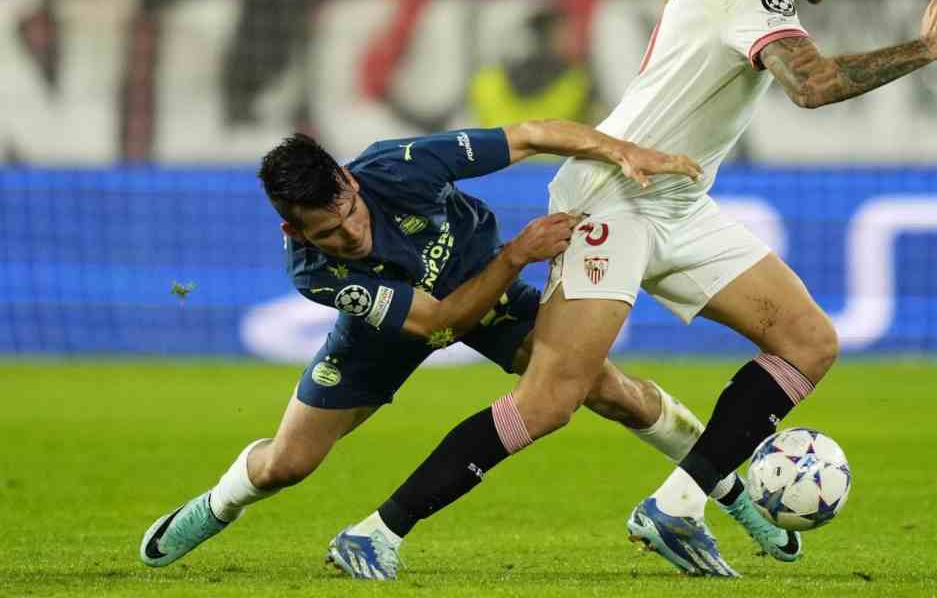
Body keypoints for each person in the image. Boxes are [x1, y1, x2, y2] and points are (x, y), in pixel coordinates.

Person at [323, 0, 937, 579]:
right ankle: (375, 532)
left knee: (808, 341)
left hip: (676, 199)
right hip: (612, 199)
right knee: (549, 401)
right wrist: (925, 49)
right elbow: (812, 85)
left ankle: (677, 506)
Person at [137, 118, 764, 577]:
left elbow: (531, 135)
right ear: (292, 229)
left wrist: (619, 149)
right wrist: (516, 255)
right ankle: (216, 506)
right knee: (287, 465)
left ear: (348, 180)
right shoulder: (314, 271)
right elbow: (437, 325)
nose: (351, 235)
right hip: (384, 339)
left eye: (350, 212)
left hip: (489, 298)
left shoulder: (400, 165)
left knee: (609, 391)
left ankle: (722, 493)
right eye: (328, 232)